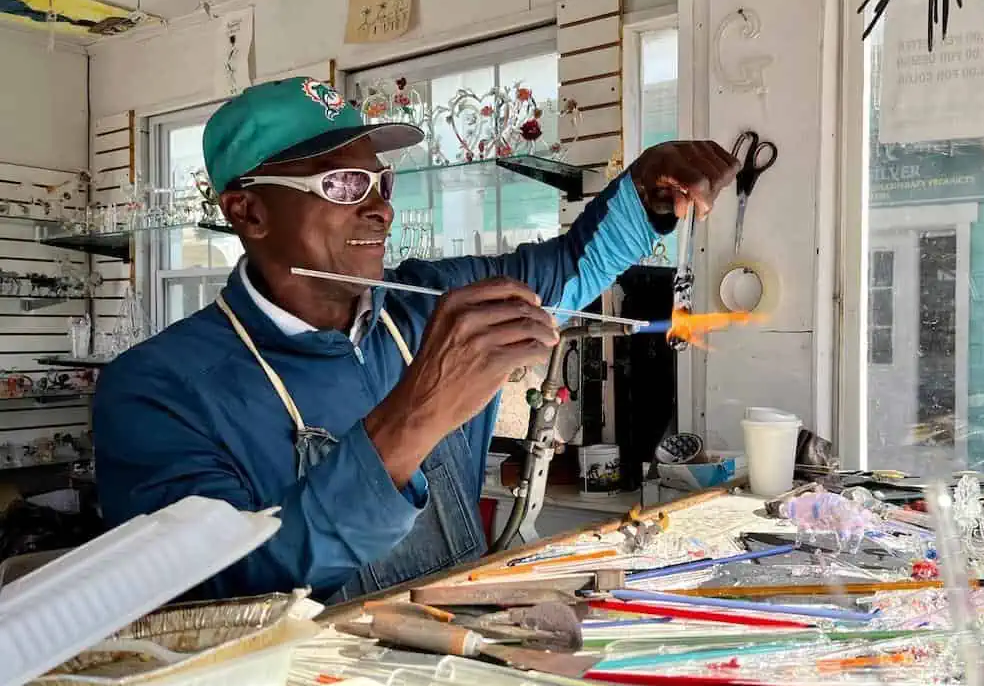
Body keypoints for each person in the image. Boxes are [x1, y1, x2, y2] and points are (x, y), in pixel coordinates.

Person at [94, 76, 737, 603]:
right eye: (342, 185)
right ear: (248, 211)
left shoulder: (425, 302)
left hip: (466, 662)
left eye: (382, 182)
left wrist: (649, 192)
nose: (380, 209)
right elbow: (215, 591)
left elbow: (574, 267)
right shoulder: (157, 390)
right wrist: (418, 411)